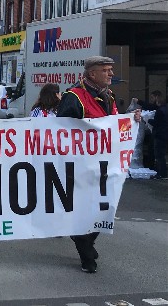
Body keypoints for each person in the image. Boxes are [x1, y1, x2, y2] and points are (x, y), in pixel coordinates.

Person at [57, 55, 142, 273]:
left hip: (104, 165)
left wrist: (130, 119)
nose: (111, 74)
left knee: (105, 207)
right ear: (92, 73)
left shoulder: (109, 96)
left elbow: (112, 126)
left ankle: (83, 239)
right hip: (80, 166)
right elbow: (59, 131)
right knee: (85, 209)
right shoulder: (73, 96)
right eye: (106, 70)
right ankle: (86, 254)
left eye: (110, 70)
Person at [147, 90, 167, 179]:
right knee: (161, 155)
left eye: (153, 98)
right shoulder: (165, 109)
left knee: (159, 155)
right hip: (164, 134)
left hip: (159, 135)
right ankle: (162, 172)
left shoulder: (159, 111)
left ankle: (161, 174)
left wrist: (147, 120)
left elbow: (156, 123)